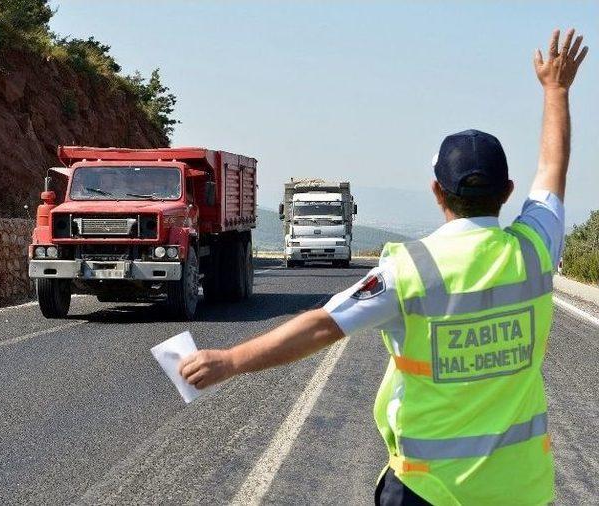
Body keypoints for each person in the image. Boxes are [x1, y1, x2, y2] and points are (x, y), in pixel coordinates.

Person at [180, 29, 588, 505]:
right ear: (508, 190)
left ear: (437, 192)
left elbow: (321, 327)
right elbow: (552, 174)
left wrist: (228, 362)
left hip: (428, 489)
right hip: (521, 489)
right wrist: (556, 90)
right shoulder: (534, 249)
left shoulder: (410, 268)